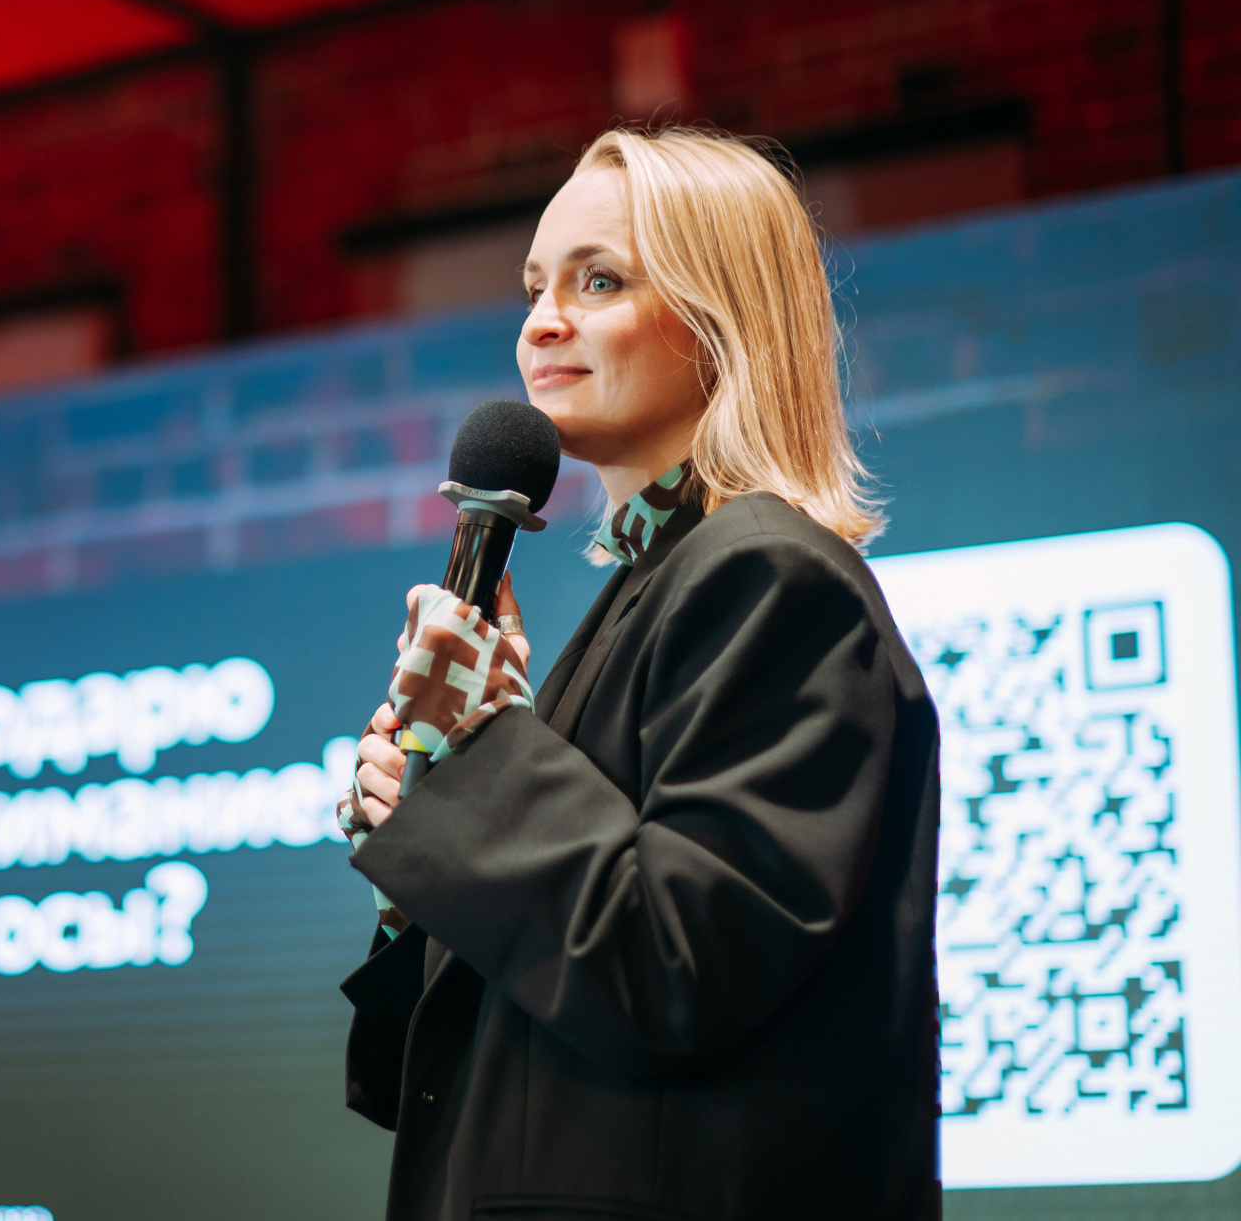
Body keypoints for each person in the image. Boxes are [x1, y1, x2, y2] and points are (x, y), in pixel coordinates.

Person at [338, 126, 942, 1221]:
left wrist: (482, 746)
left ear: (722, 321)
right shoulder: (651, 587)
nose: (540, 322)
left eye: (600, 281)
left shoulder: (770, 576)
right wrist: (433, 821)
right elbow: (485, 1048)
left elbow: (681, 967)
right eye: (535, 287)